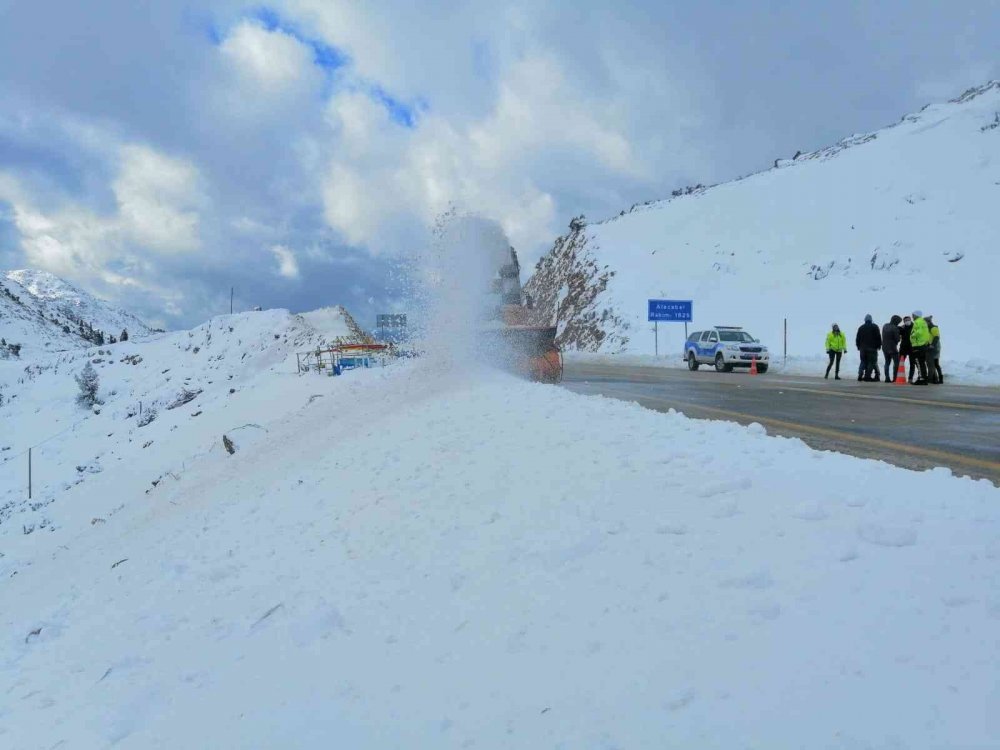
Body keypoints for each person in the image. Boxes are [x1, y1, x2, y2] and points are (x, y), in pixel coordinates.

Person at [855, 314, 882, 381]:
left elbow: (857, 338)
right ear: (871, 320)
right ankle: (867, 376)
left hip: (862, 348)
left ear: (865, 320)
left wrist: (858, 346)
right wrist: (879, 345)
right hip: (872, 348)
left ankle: (860, 375)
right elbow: (878, 337)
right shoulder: (875, 326)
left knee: (863, 361)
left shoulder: (861, 327)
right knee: (871, 362)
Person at [909, 310, 931, 385]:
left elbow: (919, 332)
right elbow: (926, 333)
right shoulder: (923, 322)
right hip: (923, 345)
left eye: (913, 315)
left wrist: (912, 335)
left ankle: (921, 379)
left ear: (916, 315)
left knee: (918, 362)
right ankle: (923, 378)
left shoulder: (917, 322)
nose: (912, 316)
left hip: (918, 345)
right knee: (922, 363)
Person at [881, 315, 902, 384]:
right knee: (896, 363)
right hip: (892, 347)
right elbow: (897, 339)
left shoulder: (885, 325)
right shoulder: (895, 328)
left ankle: (887, 378)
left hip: (884, 346)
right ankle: (895, 378)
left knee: (887, 362)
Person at [926, 315, 943, 384]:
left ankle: (937, 379)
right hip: (933, 347)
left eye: (925, 322)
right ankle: (936, 379)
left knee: (934, 364)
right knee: (935, 364)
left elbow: (936, 337)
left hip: (934, 348)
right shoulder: (929, 328)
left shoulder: (933, 328)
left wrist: (932, 345)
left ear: (928, 322)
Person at [899, 315, 915, 383]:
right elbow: (898, 334)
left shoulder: (914, 327)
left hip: (912, 348)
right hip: (903, 348)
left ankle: (910, 379)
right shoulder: (902, 328)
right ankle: (899, 377)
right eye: (906, 320)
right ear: (904, 321)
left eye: (908, 320)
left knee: (912, 364)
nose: (907, 321)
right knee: (900, 363)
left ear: (911, 320)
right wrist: (899, 328)